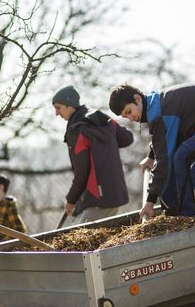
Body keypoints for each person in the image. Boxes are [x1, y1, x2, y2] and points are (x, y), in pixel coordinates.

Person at [109, 83, 195, 219]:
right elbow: (162, 139)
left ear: (137, 99)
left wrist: (150, 201)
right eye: (126, 117)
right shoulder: (155, 105)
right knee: (178, 156)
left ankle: (191, 216)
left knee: (183, 157)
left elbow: (164, 161)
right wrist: (151, 157)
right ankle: (175, 211)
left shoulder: (161, 111)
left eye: (129, 111)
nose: (131, 118)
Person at [53, 85, 134, 226]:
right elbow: (127, 137)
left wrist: (71, 200)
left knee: (81, 243)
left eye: (58, 108)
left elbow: (82, 173)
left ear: (70, 106)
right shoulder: (100, 118)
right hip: (115, 193)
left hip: (97, 198)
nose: (56, 113)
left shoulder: (77, 130)